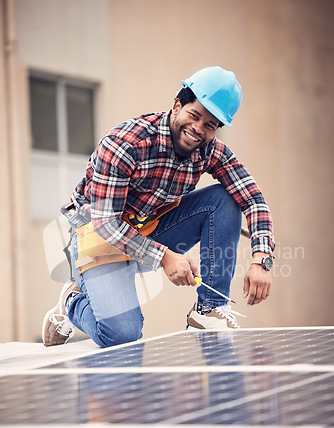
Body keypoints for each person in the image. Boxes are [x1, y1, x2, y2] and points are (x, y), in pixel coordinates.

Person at [42, 66, 275, 348]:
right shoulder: (125, 144)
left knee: (225, 198)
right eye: (194, 115)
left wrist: (261, 259)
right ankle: (71, 302)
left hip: (148, 226)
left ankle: (209, 310)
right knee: (122, 335)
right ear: (177, 105)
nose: (198, 130)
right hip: (96, 236)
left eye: (210, 125)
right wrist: (163, 257)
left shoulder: (210, 150)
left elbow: (252, 198)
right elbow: (106, 223)